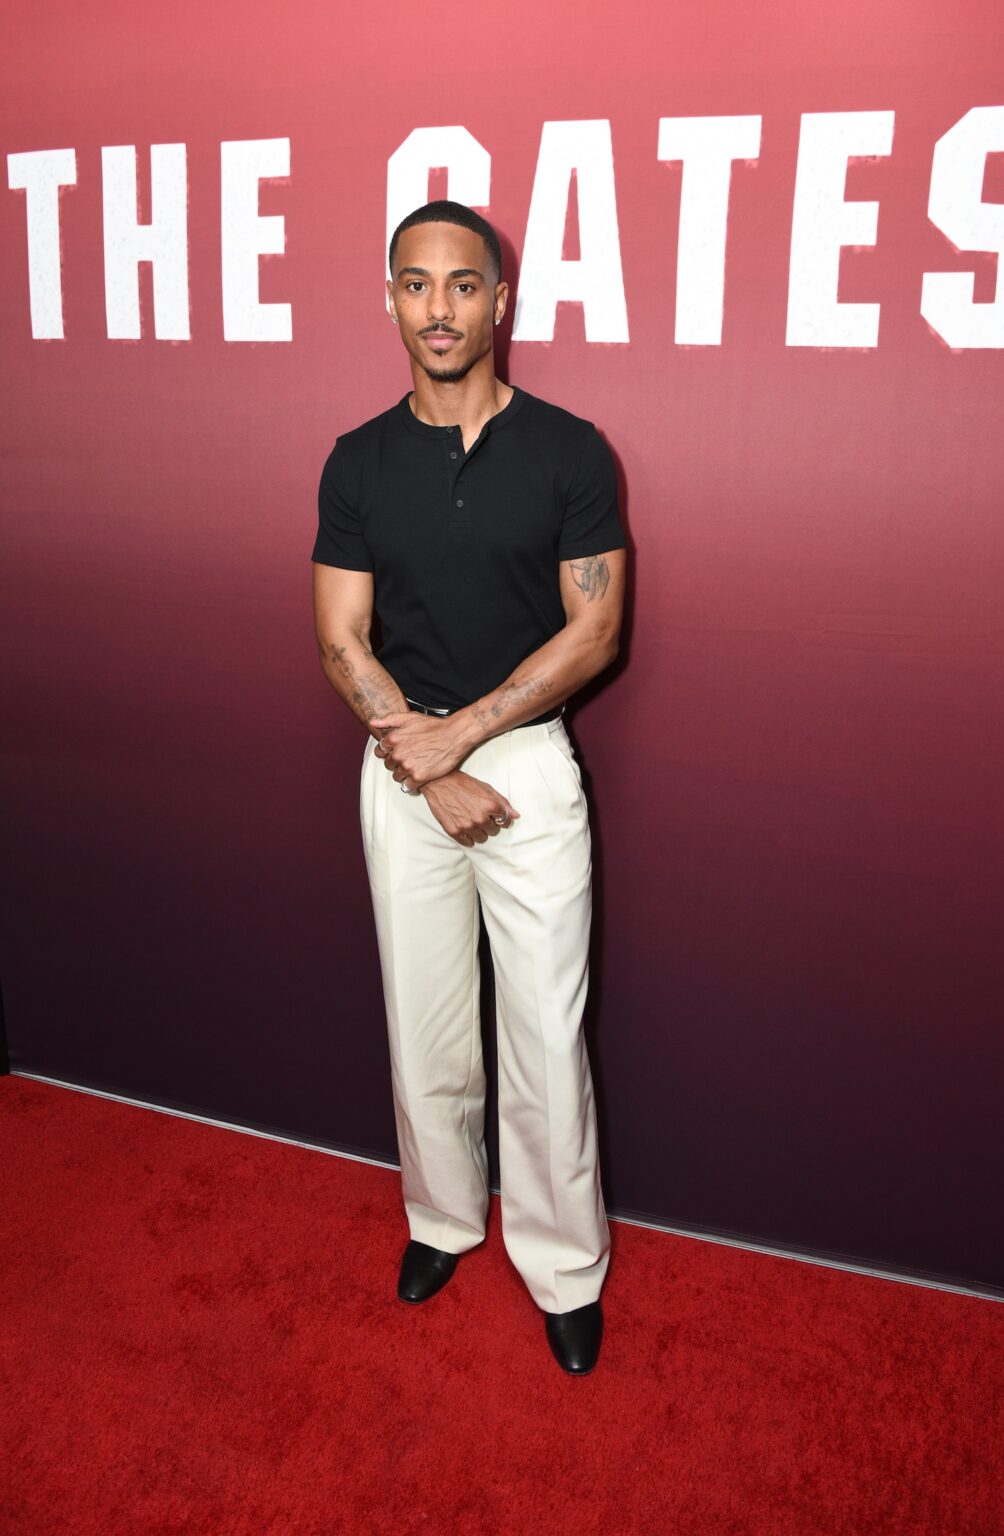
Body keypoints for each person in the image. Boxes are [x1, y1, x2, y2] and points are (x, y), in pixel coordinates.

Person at [311, 199, 626, 1375]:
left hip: (527, 763)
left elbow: (594, 631)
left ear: (501, 300)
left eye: (461, 284)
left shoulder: (570, 449)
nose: (437, 306)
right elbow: (341, 636)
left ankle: (563, 1267)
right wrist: (423, 757)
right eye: (414, 283)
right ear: (390, 298)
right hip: (402, 765)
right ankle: (441, 1219)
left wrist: (471, 739)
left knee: (545, 1037)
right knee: (426, 1023)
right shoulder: (357, 459)